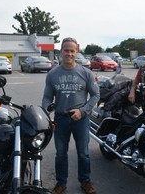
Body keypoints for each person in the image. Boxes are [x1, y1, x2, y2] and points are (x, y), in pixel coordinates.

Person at [42, 37, 100, 194]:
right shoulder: (53, 74)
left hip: (81, 119)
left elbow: (96, 95)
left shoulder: (86, 73)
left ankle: (85, 181)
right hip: (61, 119)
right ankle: (61, 183)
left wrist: (82, 111)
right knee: (60, 154)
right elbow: (47, 97)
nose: (69, 54)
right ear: (61, 52)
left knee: (83, 153)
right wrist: (45, 109)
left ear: (77, 52)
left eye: (72, 51)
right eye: (66, 50)